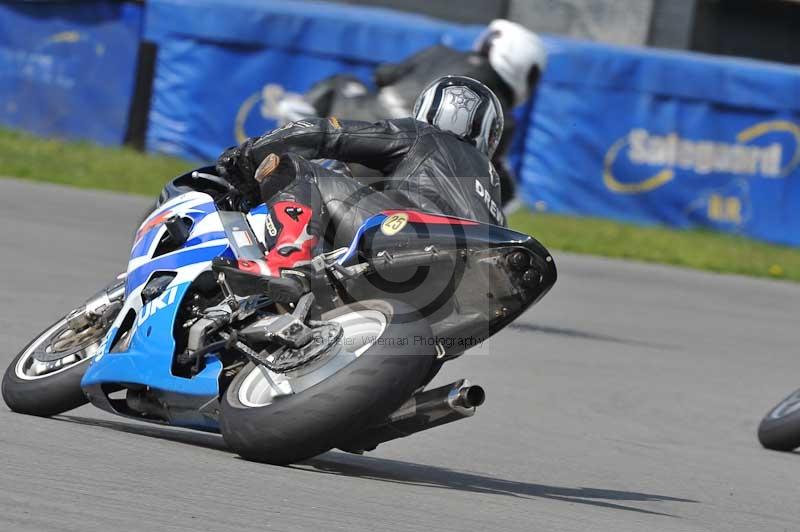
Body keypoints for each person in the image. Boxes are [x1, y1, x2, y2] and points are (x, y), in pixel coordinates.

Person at [216, 76, 505, 281]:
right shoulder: (494, 188)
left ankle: (288, 259)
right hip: (454, 289)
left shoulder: (421, 134)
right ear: (489, 133)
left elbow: (323, 134)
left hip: (404, 237)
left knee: (288, 166)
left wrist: (249, 153)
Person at [279, 19, 547, 206]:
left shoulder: (439, 52)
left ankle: (304, 115)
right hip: (416, 160)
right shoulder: (502, 116)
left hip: (363, 123)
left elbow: (383, 75)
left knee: (344, 82)